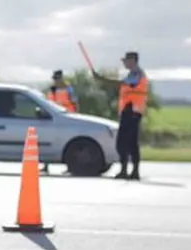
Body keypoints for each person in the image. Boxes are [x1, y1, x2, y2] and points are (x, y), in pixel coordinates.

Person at [92, 52, 149, 180]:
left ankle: (132, 171)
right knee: (126, 142)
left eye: (126, 60)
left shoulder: (137, 74)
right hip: (129, 110)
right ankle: (126, 170)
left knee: (128, 142)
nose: (124, 63)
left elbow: (123, 83)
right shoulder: (133, 73)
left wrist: (102, 79)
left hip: (132, 111)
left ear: (132, 60)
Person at [43, 70, 78, 172]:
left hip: (67, 118)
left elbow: (75, 102)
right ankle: (46, 165)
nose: (56, 81)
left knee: (68, 142)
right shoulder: (52, 90)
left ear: (61, 78)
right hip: (53, 118)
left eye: (57, 78)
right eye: (54, 79)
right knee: (49, 141)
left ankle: (70, 166)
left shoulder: (68, 89)